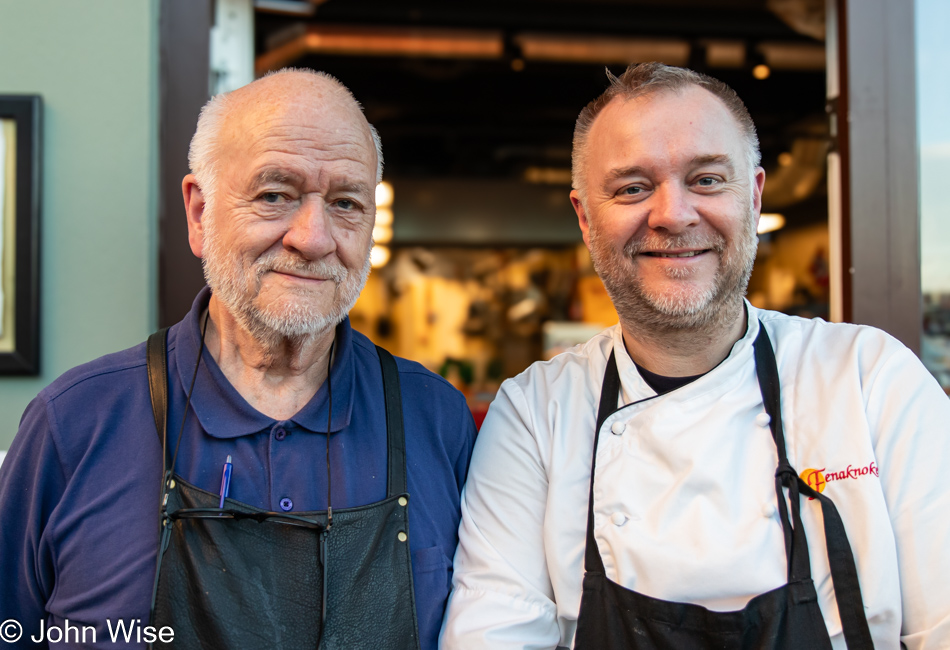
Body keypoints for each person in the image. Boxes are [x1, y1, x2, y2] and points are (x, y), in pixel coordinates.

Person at [441, 62, 950, 649]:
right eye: (633, 187)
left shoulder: (869, 379)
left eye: (707, 180)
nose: (674, 215)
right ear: (585, 218)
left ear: (754, 197)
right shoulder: (535, 413)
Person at [0, 69, 475, 650]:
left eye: (346, 202)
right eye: (275, 195)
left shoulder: (436, 420)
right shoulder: (75, 423)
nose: (313, 237)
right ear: (200, 213)